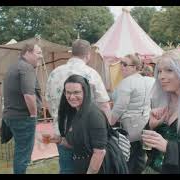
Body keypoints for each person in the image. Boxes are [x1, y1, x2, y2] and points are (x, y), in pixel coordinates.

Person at [45, 39, 111, 174]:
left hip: (61, 130)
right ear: (88, 54)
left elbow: (48, 101)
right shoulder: (91, 73)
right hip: (87, 136)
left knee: (66, 169)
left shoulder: (54, 73)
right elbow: (104, 104)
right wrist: (106, 132)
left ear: (71, 52)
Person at [50, 74, 128, 174]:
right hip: (82, 165)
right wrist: (59, 140)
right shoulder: (74, 112)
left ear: (85, 92)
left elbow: (99, 153)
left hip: (101, 167)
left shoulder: (94, 115)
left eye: (76, 92)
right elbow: (78, 144)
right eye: (68, 92)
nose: (71, 97)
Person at [2, 43, 43, 174]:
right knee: (23, 154)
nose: (41, 56)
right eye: (38, 53)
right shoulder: (26, 68)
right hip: (23, 117)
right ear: (28, 53)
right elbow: (29, 95)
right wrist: (34, 115)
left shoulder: (13, 67)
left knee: (21, 151)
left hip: (12, 116)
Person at [110, 54, 154, 174]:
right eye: (121, 63)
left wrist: (109, 124)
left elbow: (119, 107)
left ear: (135, 67)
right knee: (138, 157)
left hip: (130, 126)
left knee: (127, 158)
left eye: (125, 64)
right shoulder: (145, 80)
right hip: (144, 124)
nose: (121, 67)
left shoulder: (127, 82)